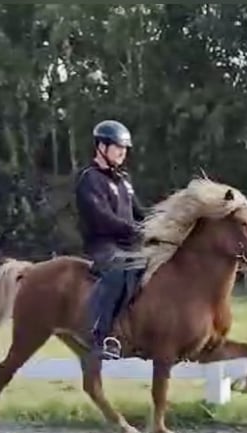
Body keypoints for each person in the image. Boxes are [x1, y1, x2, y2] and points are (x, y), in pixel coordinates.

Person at [74, 119, 146, 360]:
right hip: (103, 246)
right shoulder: (89, 179)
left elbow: (139, 212)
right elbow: (101, 218)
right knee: (119, 269)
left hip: (129, 245)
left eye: (125, 148)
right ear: (101, 147)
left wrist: (158, 226)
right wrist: (132, 230)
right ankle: (102, 336)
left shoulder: (124, 180)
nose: (123, 153)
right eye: (118, 147)